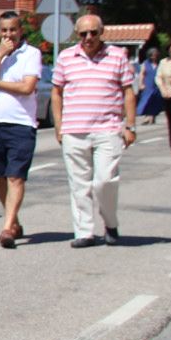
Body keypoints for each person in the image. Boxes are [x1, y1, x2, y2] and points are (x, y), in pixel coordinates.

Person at [51, 14, 136, 248]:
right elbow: (56, 92)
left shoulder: (117, 56)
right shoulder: (66, 57)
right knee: (79, 184)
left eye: (93, 33)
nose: (88, 38)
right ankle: (84, 232)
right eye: (83, 34)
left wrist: (130, 125)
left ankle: (110, 223)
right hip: (74, 129)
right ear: (77, 35)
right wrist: (59, 126)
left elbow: (128, 91)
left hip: (108, 129)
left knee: (105, 181)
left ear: (101, 32)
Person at [0, 11, 44, 249]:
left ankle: (7, 228)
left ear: (20, 30)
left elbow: (27, 87)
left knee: (16, 175)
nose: (8, 35)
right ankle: (12, 219)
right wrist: (1, 56)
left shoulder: (32, 54)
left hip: (22, 123)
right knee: (0, 175)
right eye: (4, 30)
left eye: (12, 30)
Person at [135, 47, 164, 125]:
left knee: (155, 101)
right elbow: (142, 74)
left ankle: (151, 116)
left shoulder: (160, 63)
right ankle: (148, 117)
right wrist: (141, 84)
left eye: (155, 55)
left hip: (157, 85)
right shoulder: (145, 63)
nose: (154, 57)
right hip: (148, 85)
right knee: (147, 101)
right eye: (152, 55)